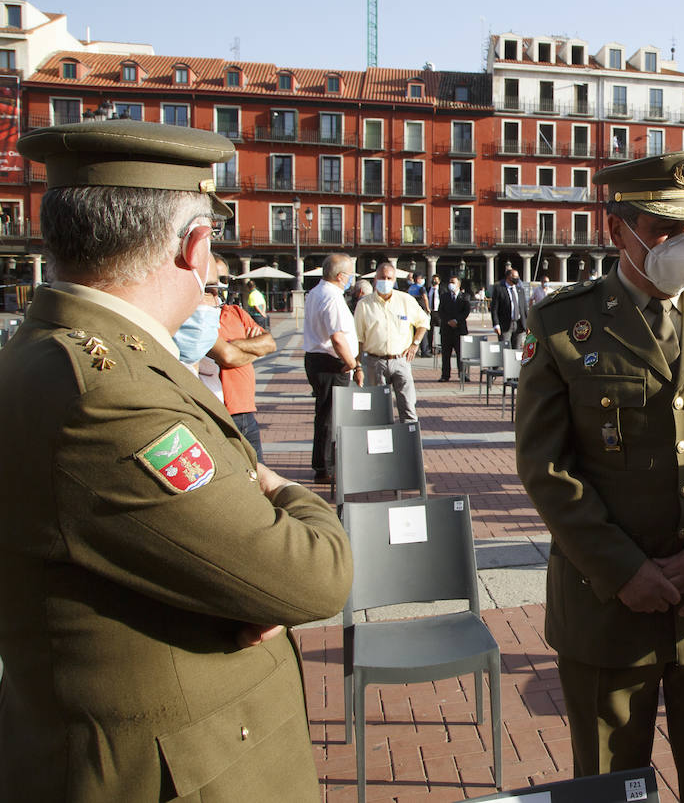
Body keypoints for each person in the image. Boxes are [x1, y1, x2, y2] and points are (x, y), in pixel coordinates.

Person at [1, 120, 352, 799]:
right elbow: (313, 578)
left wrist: (247, 564)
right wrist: (276, 488)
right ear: (195, 248)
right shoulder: (108, 394)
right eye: (214, 247)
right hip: (178, 772)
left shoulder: (56, 353)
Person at [515, 151, 684, 802]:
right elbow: (545, 466)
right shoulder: (563, 324)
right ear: (619, 232)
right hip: (606, 606)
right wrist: (622, 570)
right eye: (666, 230)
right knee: (610, 784)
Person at [207, 256, 277, 458]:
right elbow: (227, 357)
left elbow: (270, 343)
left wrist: (235, 345)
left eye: (223, 280)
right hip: (219, 413)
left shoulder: (236, 312)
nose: (219, 287)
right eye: (212, 282)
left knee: (259, 475)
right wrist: (253, 349)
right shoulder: (198, 317)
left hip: (246, 410)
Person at [304, 253, 363, 484]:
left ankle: (324, 463)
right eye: (350, 275)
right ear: (340, 276)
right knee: (331, 416)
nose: (351, 279)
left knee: (325, 415)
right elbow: (337, 338)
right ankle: (325, 467)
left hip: (318, 359)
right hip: (330, 363)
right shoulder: (332, 298)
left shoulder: (316, 292)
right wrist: (354, 365)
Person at [353, 261, 429, 423]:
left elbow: (423, 322)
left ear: (394, 280)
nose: (385, 281)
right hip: (375, 361)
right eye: (382, 277)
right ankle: (383, 445)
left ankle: (409, 445)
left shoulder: (405, 300)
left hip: (401, 360)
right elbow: (358, 339)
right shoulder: (364, 305)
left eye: (389, 278)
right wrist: (358, 366)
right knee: (378, 411)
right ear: (375, 279)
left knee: (408, 408)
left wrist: (415, 344)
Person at [436, 275, 472, 383]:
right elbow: (441, 311)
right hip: (446, 329)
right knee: (446, 354)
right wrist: (448, 321)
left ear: (458, 285)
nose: (451, 284)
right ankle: (445, 375)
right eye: (450, 282)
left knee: (461, 354)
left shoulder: (465, 296)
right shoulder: (444, 296)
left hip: (459, 329)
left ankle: (462, 374)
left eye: (453, 282)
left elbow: (466, 311)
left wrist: (456, 321)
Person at [492, 267, 528, 348]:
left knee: (517, 349)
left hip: (519, 324)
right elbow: (494, 309)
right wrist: (496, 324)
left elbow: (524, 308)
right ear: (509, 277)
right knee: (505, 348)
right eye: (515, 277)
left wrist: (527, 323)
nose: (517, 279)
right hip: (505, 324)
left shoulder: (520, 290)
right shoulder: (499, 289)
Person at [420, 273, 442, 357]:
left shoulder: (441, 290)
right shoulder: (428, 289)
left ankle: (440, 347)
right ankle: (429, 347)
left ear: (439, 281)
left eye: (436, 279)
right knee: (430, 331)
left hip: (439, 312)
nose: (434, 281)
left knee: (440, 331)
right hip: (430, 312)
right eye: (433, 279)